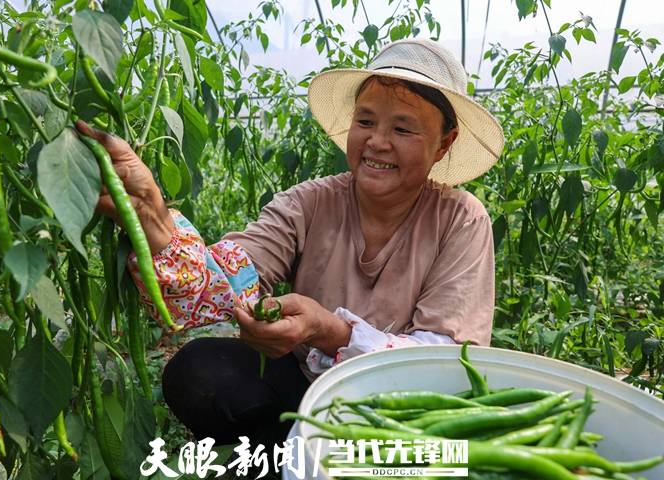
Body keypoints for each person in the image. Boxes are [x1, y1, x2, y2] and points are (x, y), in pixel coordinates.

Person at [75, 38, 503, 476]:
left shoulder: (459, 219)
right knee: (200, 370)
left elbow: (446, 364)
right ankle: (285, 465)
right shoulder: (311, 203)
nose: (377, 141)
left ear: (444, 144)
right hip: (305, 388)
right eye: (366, 120)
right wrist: (153, 214)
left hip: (405, 416)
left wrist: (332, 331)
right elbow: (222, 283)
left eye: (403, 128)